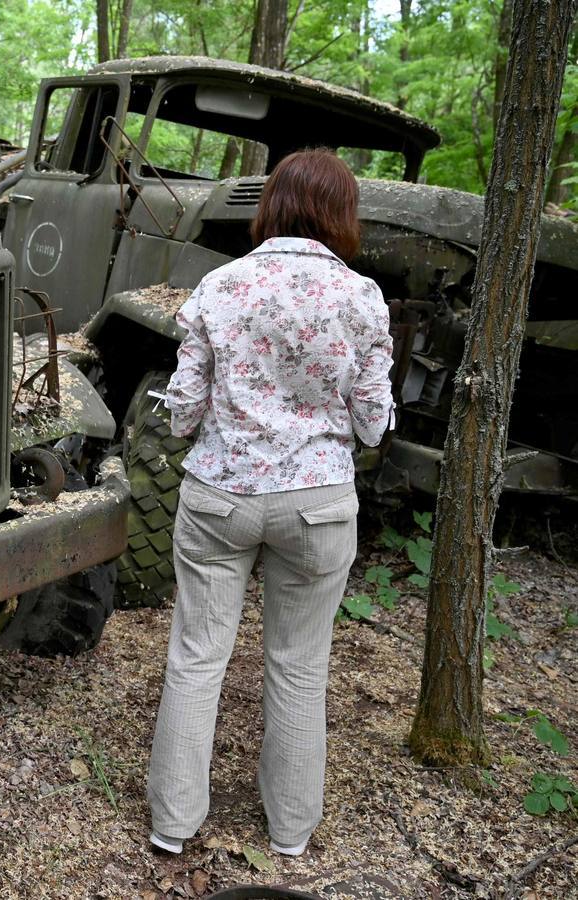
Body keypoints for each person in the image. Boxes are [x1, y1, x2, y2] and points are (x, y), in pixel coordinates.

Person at [146, 148, 394, 858]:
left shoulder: (220, 285)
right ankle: (289, 834)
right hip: (317, 504)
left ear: (271, 206)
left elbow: (183, 407)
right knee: (299, 665)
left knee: (197, 657)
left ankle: (173, 825)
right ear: (342, 216)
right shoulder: (362, 296)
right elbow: (375, 421)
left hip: (221, 495)